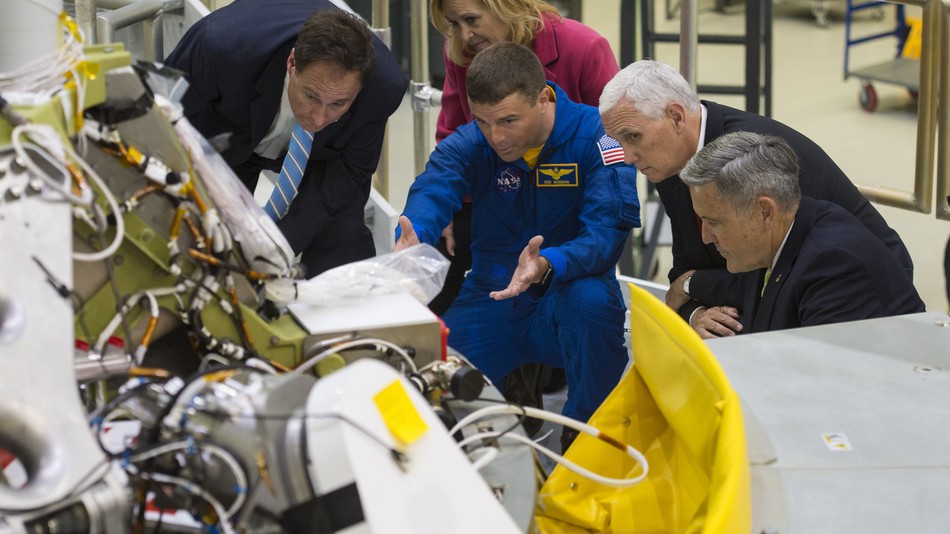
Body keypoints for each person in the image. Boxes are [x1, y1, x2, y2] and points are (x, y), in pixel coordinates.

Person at [394, 42, 640, 451]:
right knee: (430, 379)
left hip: (570, 292)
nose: (497, 136)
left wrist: (549, 263)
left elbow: (606, 234)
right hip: (494, 292)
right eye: (484, 121)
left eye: (509, 120)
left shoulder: (599, 137)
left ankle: (587, 444)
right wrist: (415, 234)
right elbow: (435, 185)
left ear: (543, 97)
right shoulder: (472, 143)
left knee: (593, 302)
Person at [599, 59, 914, 338]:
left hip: (851, 308)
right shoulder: (670, 160)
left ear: (677, 117)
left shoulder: (761, 162)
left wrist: (689, 287)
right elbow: (686, 265)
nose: (626, 157)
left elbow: (779, 274)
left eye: (633, 137)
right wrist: (695, 313)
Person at [164, 2, 408, 277]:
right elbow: (162, 120)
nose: (318, 119)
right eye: (312, 96)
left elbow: (347, 175)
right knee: (201, 233)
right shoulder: (219, 47)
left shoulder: (383, 88)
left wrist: (277, 246)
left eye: (339, 103)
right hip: (228, 135)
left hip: (322, 157)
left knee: (342, 237)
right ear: (292, 63)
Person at [427, 0, 620, 315]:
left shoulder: (584, 48)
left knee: (575, 300)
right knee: (437, 268)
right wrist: (443, 205)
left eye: (471, 19)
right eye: (453, 24)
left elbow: (615, 139)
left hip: (566, 202)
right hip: (492, 197)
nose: (464, 35)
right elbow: (452, 131)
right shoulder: (462, 50)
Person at [679, 131, 924, 333]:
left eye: (715, 222)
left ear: (764, 211)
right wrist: (687, 289)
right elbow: (740, 290)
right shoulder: (775, 235)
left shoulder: (835, 265)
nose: (706, 237)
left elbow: (819, 380)